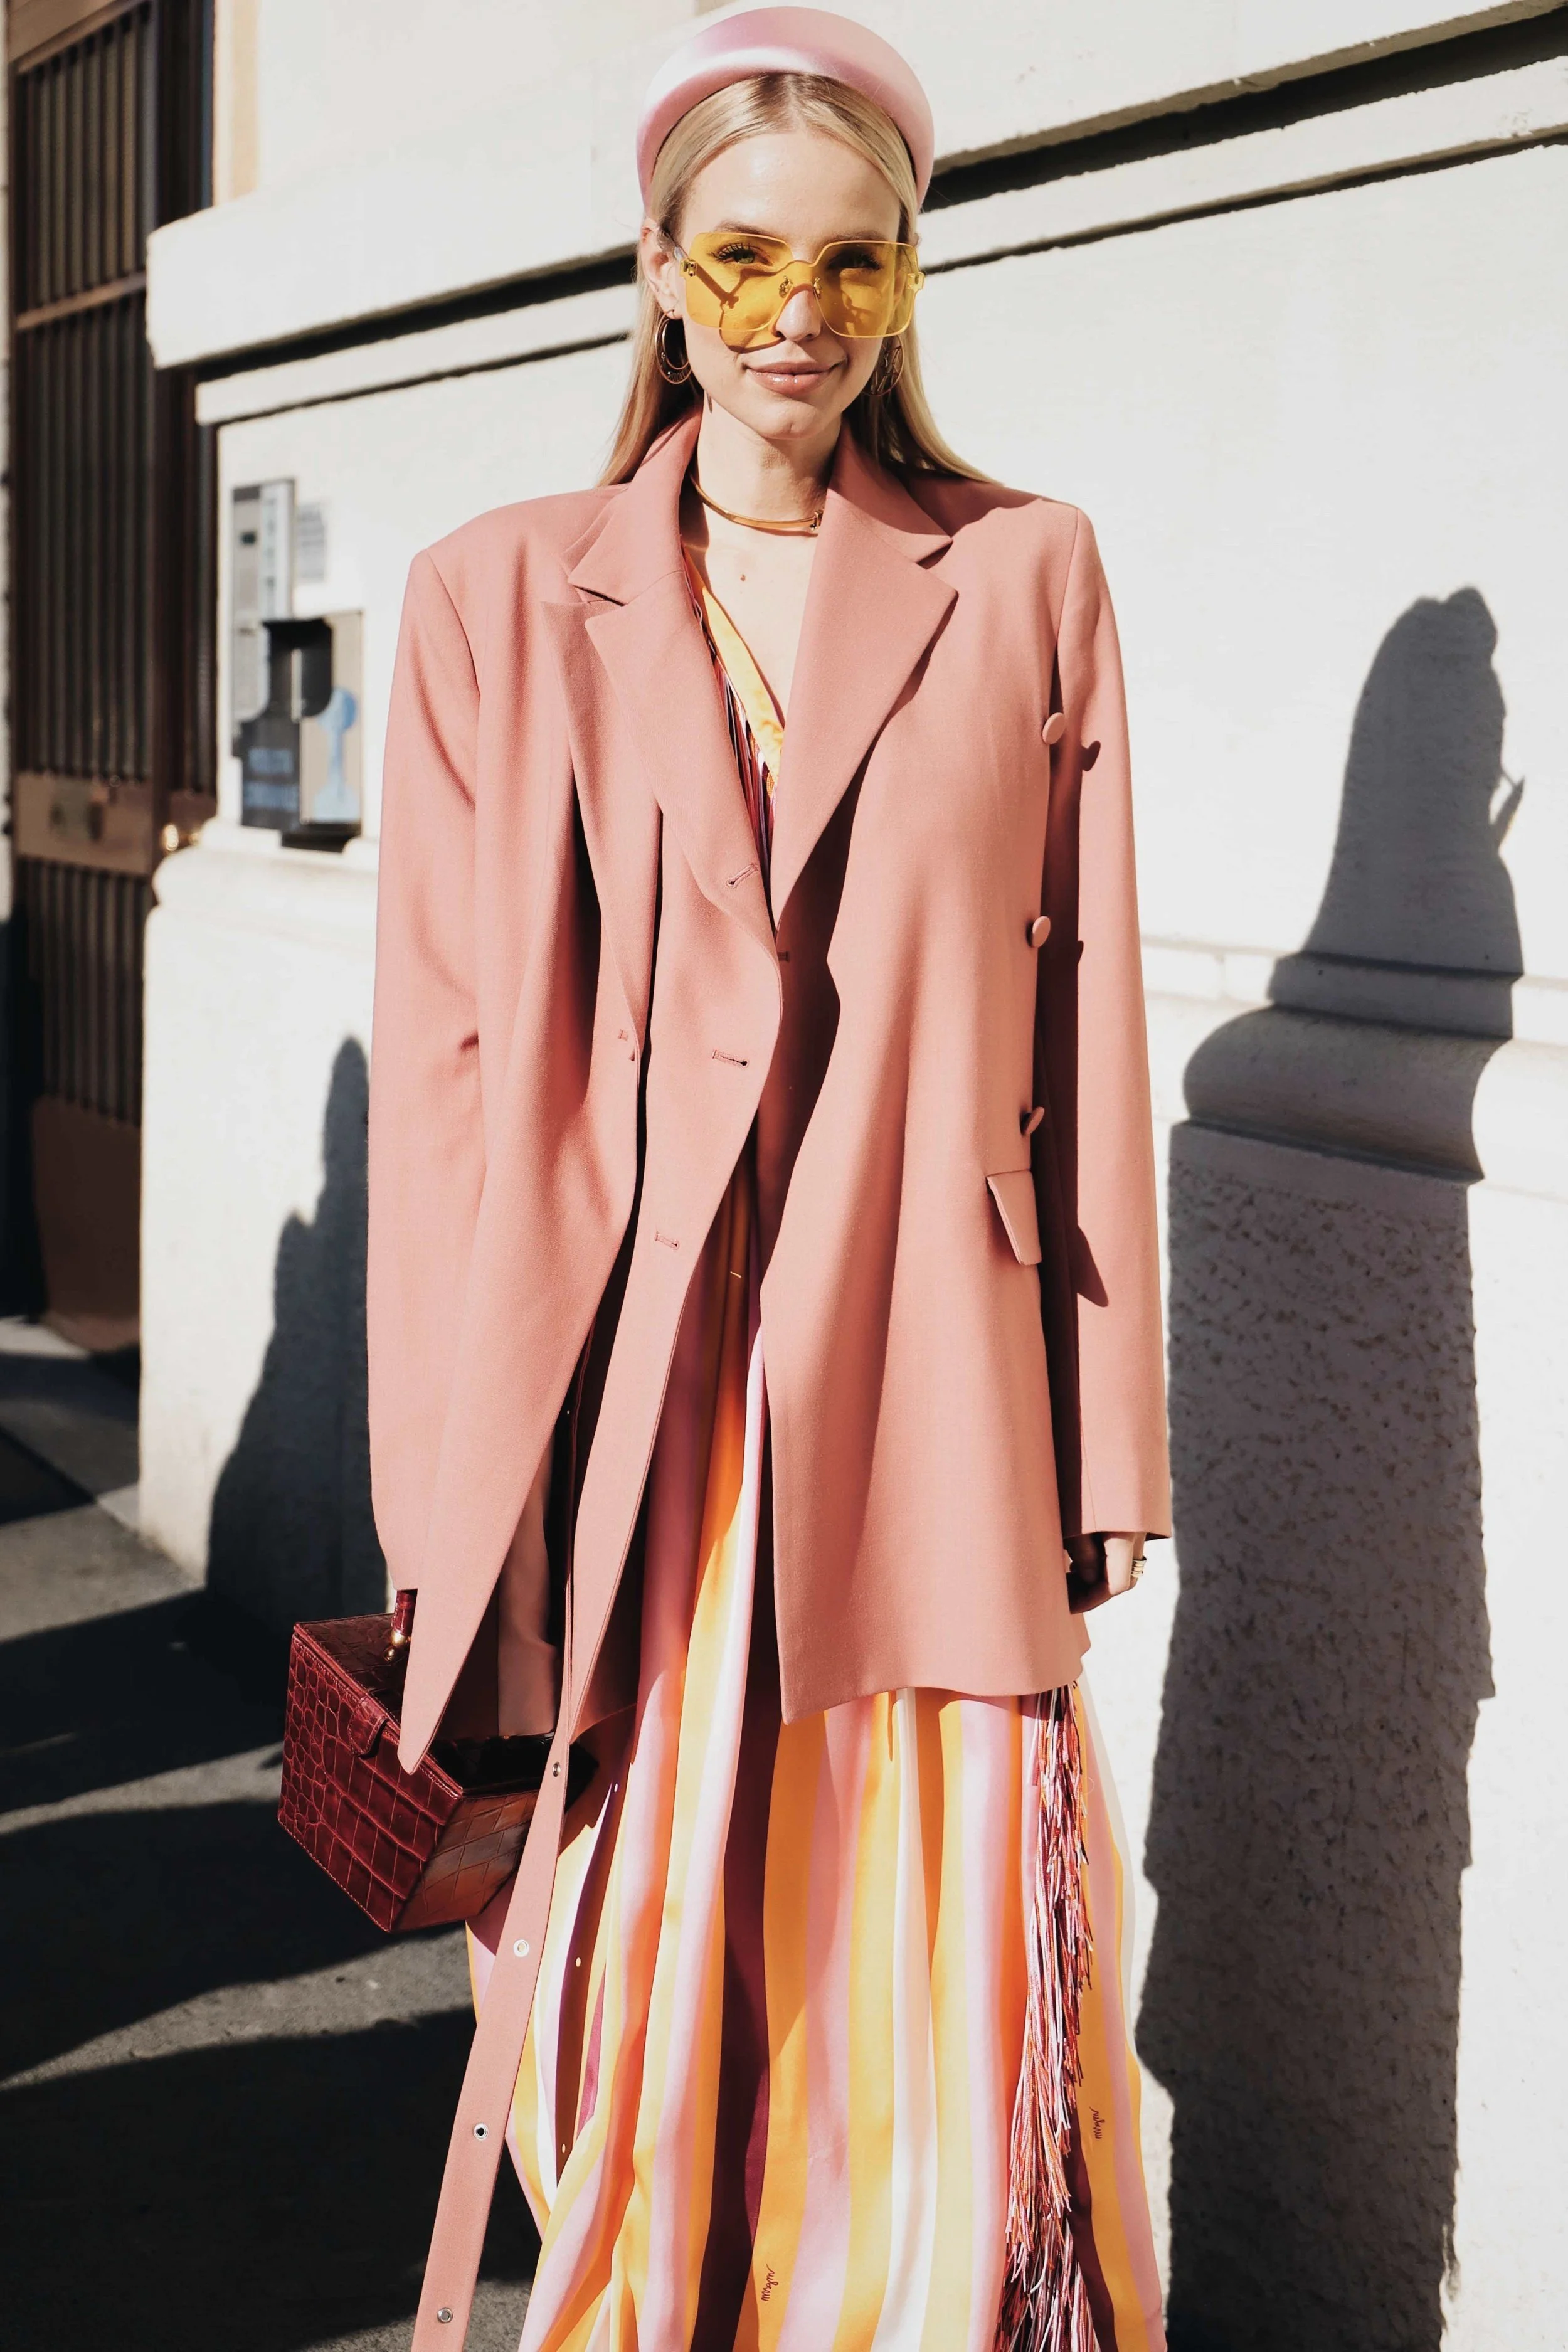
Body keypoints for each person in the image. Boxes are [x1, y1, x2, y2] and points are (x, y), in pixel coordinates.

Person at [368, 11, 1171, 2348]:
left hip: (925, 1384)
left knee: (924, 2002)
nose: (798, 309)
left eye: (851, 260)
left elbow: (1083, 1022)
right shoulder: (496, 599)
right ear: (655, 266)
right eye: (742, 254)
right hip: (625, 1415)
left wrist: (1106, 1433)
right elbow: (440, 1076)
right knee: (634, 2007)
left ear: (909, 281)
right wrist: (446, 1496)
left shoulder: (1024, 574)